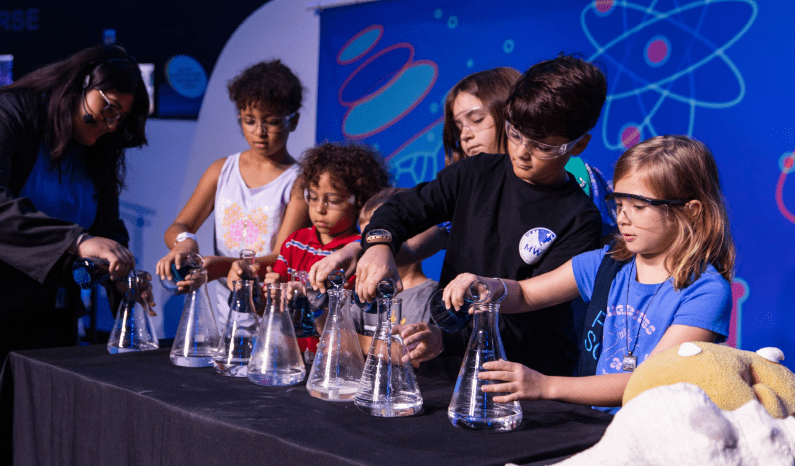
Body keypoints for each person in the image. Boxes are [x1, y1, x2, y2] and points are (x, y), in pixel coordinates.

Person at [430, 135, 734, 413]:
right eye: (618, 204)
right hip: (595, 426)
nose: (623, 217)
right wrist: (491, 286)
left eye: (639, 207)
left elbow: (650, 381)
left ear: (691, 210)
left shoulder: (706, 291)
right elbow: (525, 294)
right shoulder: (606, 263)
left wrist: (545, 386)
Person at [355, 54, 607, 376]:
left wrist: (446, 338)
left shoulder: (580, 219)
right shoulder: (474, 173)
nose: (522, 152)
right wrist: (378, 246)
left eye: (542, 147)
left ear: (578, 145)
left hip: (522, 378)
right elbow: (401, 209)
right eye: (515, 134)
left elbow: (528, 314)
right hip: (450, 366)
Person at [0, 44, 152, 363]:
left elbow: (107, 227)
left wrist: (120, 275)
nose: (111, 124)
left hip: (53, 314)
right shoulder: (12, 113)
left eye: (120, 117)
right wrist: (78, 241)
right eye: (109, 107)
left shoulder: (99, 146)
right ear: (81, 84)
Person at [155, 60, 309, 332]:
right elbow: (180, 225)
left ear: (293, 121)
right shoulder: (222, 170)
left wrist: (221, 267)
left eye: (272, 122)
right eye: (250, 121)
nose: (259, 132)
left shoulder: (298, 182)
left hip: (271, 316)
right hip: (224, 316)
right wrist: (184, 243)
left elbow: (280, 258)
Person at [229, 142, 390, 354]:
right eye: (313, 198)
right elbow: (270, 312)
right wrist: (263, 292)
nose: (319, 209)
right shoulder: (294, 243)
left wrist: (306, 299)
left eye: (333, 201)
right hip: (287, 357)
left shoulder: (358, 254)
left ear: (360, 200)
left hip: (334, 359)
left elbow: (349, 320)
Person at [349, 188, 437, 353]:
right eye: (366, 242)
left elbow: (421, 355)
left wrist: (356, 342)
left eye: (377, 242)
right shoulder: (367, 292)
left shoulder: (432, 296)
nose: (369, 251)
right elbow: (338, 331)